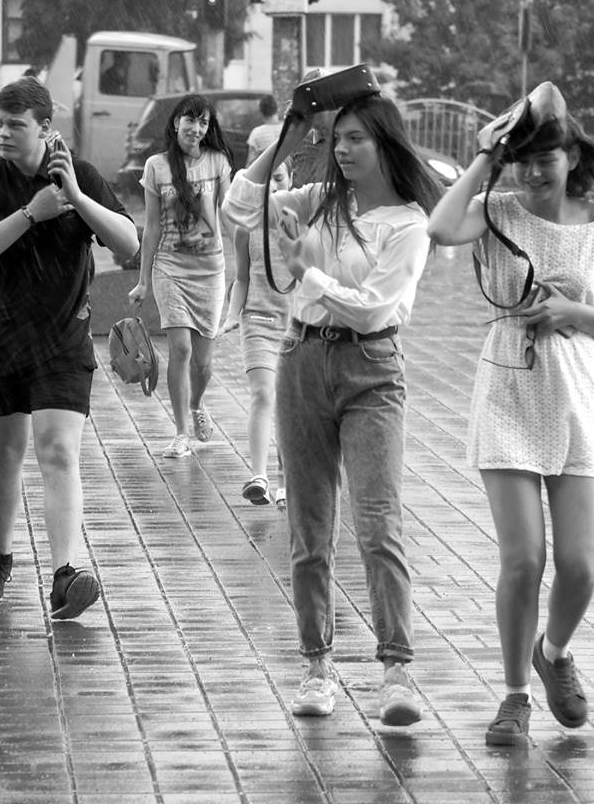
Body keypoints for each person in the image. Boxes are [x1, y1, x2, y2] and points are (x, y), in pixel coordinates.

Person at [427, 82, 594, 746]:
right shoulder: (495, 210)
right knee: (524, 559)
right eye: (520, 161)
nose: (532, 173)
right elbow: (439, 228)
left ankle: (552, 653)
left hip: (575, 395)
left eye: (544, 159)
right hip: (507, 391)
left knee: (580, 565)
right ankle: (514, 695)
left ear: (571, 156)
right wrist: (483, 157)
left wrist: (568, 312)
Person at [223, 92, 442, 724]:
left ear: (385, 144)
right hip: (301, 360)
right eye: (336, 138)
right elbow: (239, 207)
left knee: (378, 523)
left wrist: (308, 274)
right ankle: (317, 668)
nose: (341, 150)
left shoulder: (408, 224)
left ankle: (396, 673)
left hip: (371, 369)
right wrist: (289, 138)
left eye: (356, 139)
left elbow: (374, 309)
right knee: (309, 527)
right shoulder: (320, 199)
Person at [0, 77, 139, 619]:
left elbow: (128, 243)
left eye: (15, 125)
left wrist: (76, 198)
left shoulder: (80, 175)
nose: (3, 133)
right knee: (6, 450)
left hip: (63, 340)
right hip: (3, 337)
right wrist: (31, 213)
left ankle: (64, 575)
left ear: (45, 128)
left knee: (57, 449)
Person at [129, 94, 233, 458]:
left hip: (210, 272)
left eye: (203, 122)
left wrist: (246, 266)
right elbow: (152, 226)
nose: (197, 128)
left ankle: (197, 404)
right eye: (190, 120)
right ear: (176, 123)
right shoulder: (156, 166)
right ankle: (181, 432)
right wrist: (143, 280)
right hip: (170, 269)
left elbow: (229, 215)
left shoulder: (218, 162)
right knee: (181, 349)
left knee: (203, 363)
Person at [224, 159, 294, 507]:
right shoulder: (246, 229)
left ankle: (286, 482)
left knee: (290, 404)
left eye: (279, 178)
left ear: (292, 180)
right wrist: (231, 315)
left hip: (296, 327)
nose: (273, 187)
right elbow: (242, 279)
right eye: (266, 180)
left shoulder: (303, 225)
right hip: (258, 322)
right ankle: (259, 477)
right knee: (263, 394)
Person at [245, 94, 282, 166]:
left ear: (261, 112)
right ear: (277, 109)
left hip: (264, 171)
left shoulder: (256, 133)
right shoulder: (287, 130)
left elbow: (250, 163)